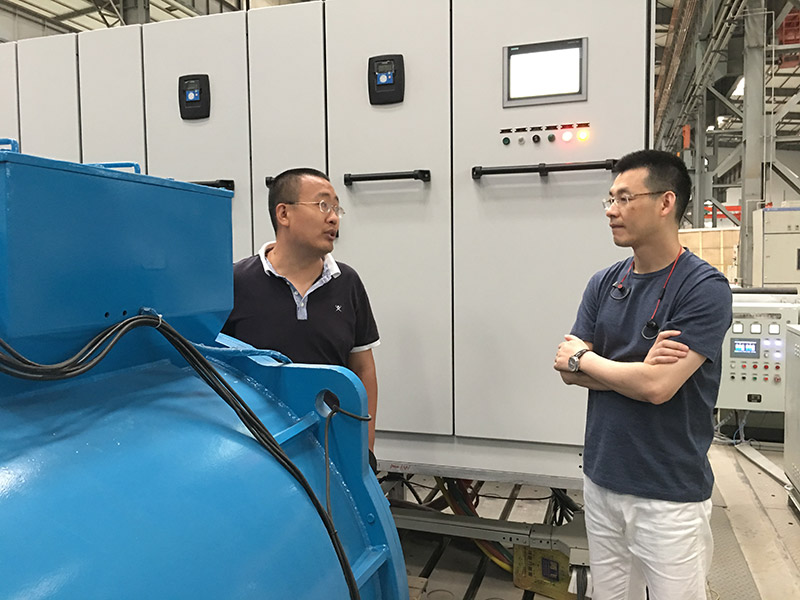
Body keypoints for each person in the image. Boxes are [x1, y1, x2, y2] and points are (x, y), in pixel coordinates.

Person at [553, 149, 732, 599]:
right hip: (602, 481)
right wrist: (625, 369)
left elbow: (657, 388)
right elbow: (566, 370)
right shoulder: (604, 283)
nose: (611, 210)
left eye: (624, 198)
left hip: (667, 495)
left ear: (666, 202)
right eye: (610, 199)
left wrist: (586, 360)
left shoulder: (703, 288)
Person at [222, 168, 380, 453]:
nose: (334, 218)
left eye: (336, 208)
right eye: (323, 205)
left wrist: (364, 446)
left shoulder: (347, 282)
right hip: (257, 447)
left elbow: (363, 368)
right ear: (284, 214)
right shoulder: (235, 282)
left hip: (333, 443)